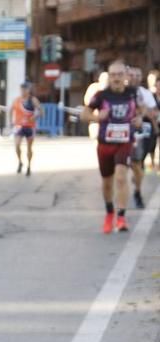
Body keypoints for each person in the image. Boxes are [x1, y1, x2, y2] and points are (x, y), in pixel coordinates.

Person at [81, 60, 143, 234]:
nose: (116, 78)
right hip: (105, 144)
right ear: (109, 76)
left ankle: (121, 216)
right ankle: (109, 213)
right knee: (107, 183)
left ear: (125, 76)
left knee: (121, 177)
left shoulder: (133, 93)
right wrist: (97, 117)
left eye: (119, 74)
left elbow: (142, 110)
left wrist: (139, 119)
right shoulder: (101, 95)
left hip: (125, 142)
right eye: (113, 75)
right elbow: (84, 114)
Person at [127, 67, 157, 208]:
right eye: (132, 75)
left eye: (138, 75)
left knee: (138, 165)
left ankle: (137, 192)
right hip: (123, 134)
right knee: (130, 165)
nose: (135, 77)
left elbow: (152, 112)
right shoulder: (121, 92)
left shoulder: (145, 93)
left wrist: (140, 114)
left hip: (142, 134)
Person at [10, 81, 42, 176]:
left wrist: (35, 117)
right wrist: (10, 121)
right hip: (19, 126)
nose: (23, 91)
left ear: (28, 90)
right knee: (17, 145)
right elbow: (10, 110)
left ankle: (29, 166)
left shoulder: (33, 100)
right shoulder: (17, 100)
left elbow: (41, 111)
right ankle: (20, 162)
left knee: (29, 147)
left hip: (30, 126)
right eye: (22, 89)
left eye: (25, 89)